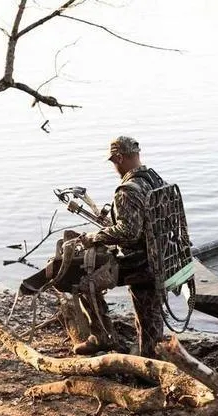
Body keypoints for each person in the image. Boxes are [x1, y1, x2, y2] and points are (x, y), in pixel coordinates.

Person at [73, 136, 168, 357]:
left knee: (84, 284)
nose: (114, 167)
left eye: (114, 161)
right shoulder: (155, 180)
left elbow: (128, 232)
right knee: (149, 315)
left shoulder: (127, 190)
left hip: (140, 263)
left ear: (119, 157)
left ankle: (102, 337)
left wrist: (94, 237)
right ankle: (150, 353)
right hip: (161, 257)